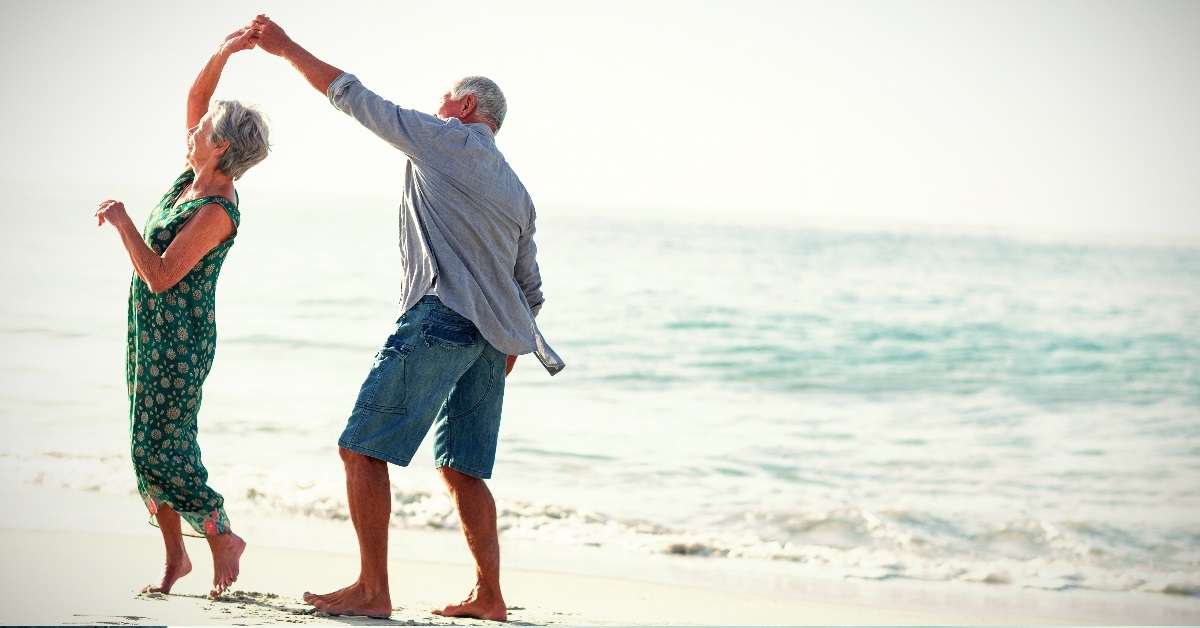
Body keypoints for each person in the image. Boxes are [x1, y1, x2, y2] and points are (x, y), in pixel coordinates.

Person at [248, 14, 564, 621]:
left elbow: (355, 98)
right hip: (493, 342)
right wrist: (505, 350)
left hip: (441, 318)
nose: (435, 106)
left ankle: (373, 590)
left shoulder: (446, 138)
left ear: (466, 105)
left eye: (444, 99)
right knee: (462, 468)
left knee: (360, 450)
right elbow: (531, 286)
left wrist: (284, 47)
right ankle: (490, 596)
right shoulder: (518, 190)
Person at [94, 27, 270, 598]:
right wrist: (224, 52)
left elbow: (162, 275)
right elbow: (197, 102)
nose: (192, 128)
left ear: (220, 146)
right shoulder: (191, 180)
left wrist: (123, 223)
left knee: (158, 446)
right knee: (146, 441)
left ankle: (220, 532)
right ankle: (176, 560)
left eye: (203, 129)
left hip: (179, 337)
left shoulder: (217, 207)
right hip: (149, 329)